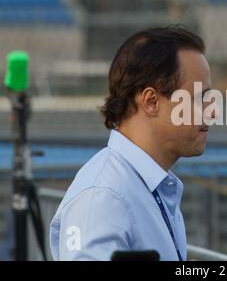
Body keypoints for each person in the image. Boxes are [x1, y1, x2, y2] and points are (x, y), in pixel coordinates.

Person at [50, 26, 214, 260]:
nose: (212, 111)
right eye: (200, 97)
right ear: (151, 101)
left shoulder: (141, 185)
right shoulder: (104, 196)